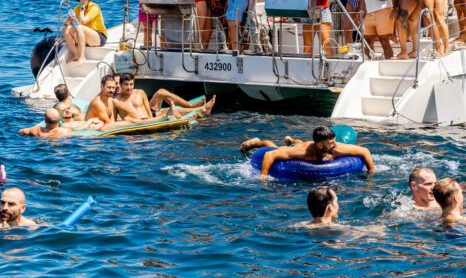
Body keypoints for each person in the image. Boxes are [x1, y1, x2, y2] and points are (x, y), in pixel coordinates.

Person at [240, 126, 375, 176]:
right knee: (274, 147)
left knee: (297, 143)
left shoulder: (337, 148)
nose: (335, 145)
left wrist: (371, 172)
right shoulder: (304, 152)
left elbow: (365, 151)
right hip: (295, 149)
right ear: (320, 146)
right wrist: (263, 177)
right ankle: (257, 142)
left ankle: (292, 139)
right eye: (331, 142)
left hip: (305, 145)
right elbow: (270, 154)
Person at [118, 73, 215, 119]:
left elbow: (147, 108)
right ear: (121, 85)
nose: (129, 87)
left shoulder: (140, 92)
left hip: (149, 114)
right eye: (126, 85)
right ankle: (202, 109)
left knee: (161, 92)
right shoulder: (117, 99)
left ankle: (191, 106)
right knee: (169, 111)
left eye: (131, 84)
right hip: (145, 118)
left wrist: (151, 117)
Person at [62, 0, 108, 67]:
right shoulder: (77, 8)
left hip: (99, 37)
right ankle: (76, 54)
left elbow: (82, 21)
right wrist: (68, 19)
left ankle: (82, 56)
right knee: (66, 28)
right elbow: (66, 25)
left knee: (79, 27)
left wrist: (82, 7)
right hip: (85, 36)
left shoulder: (94, 7)